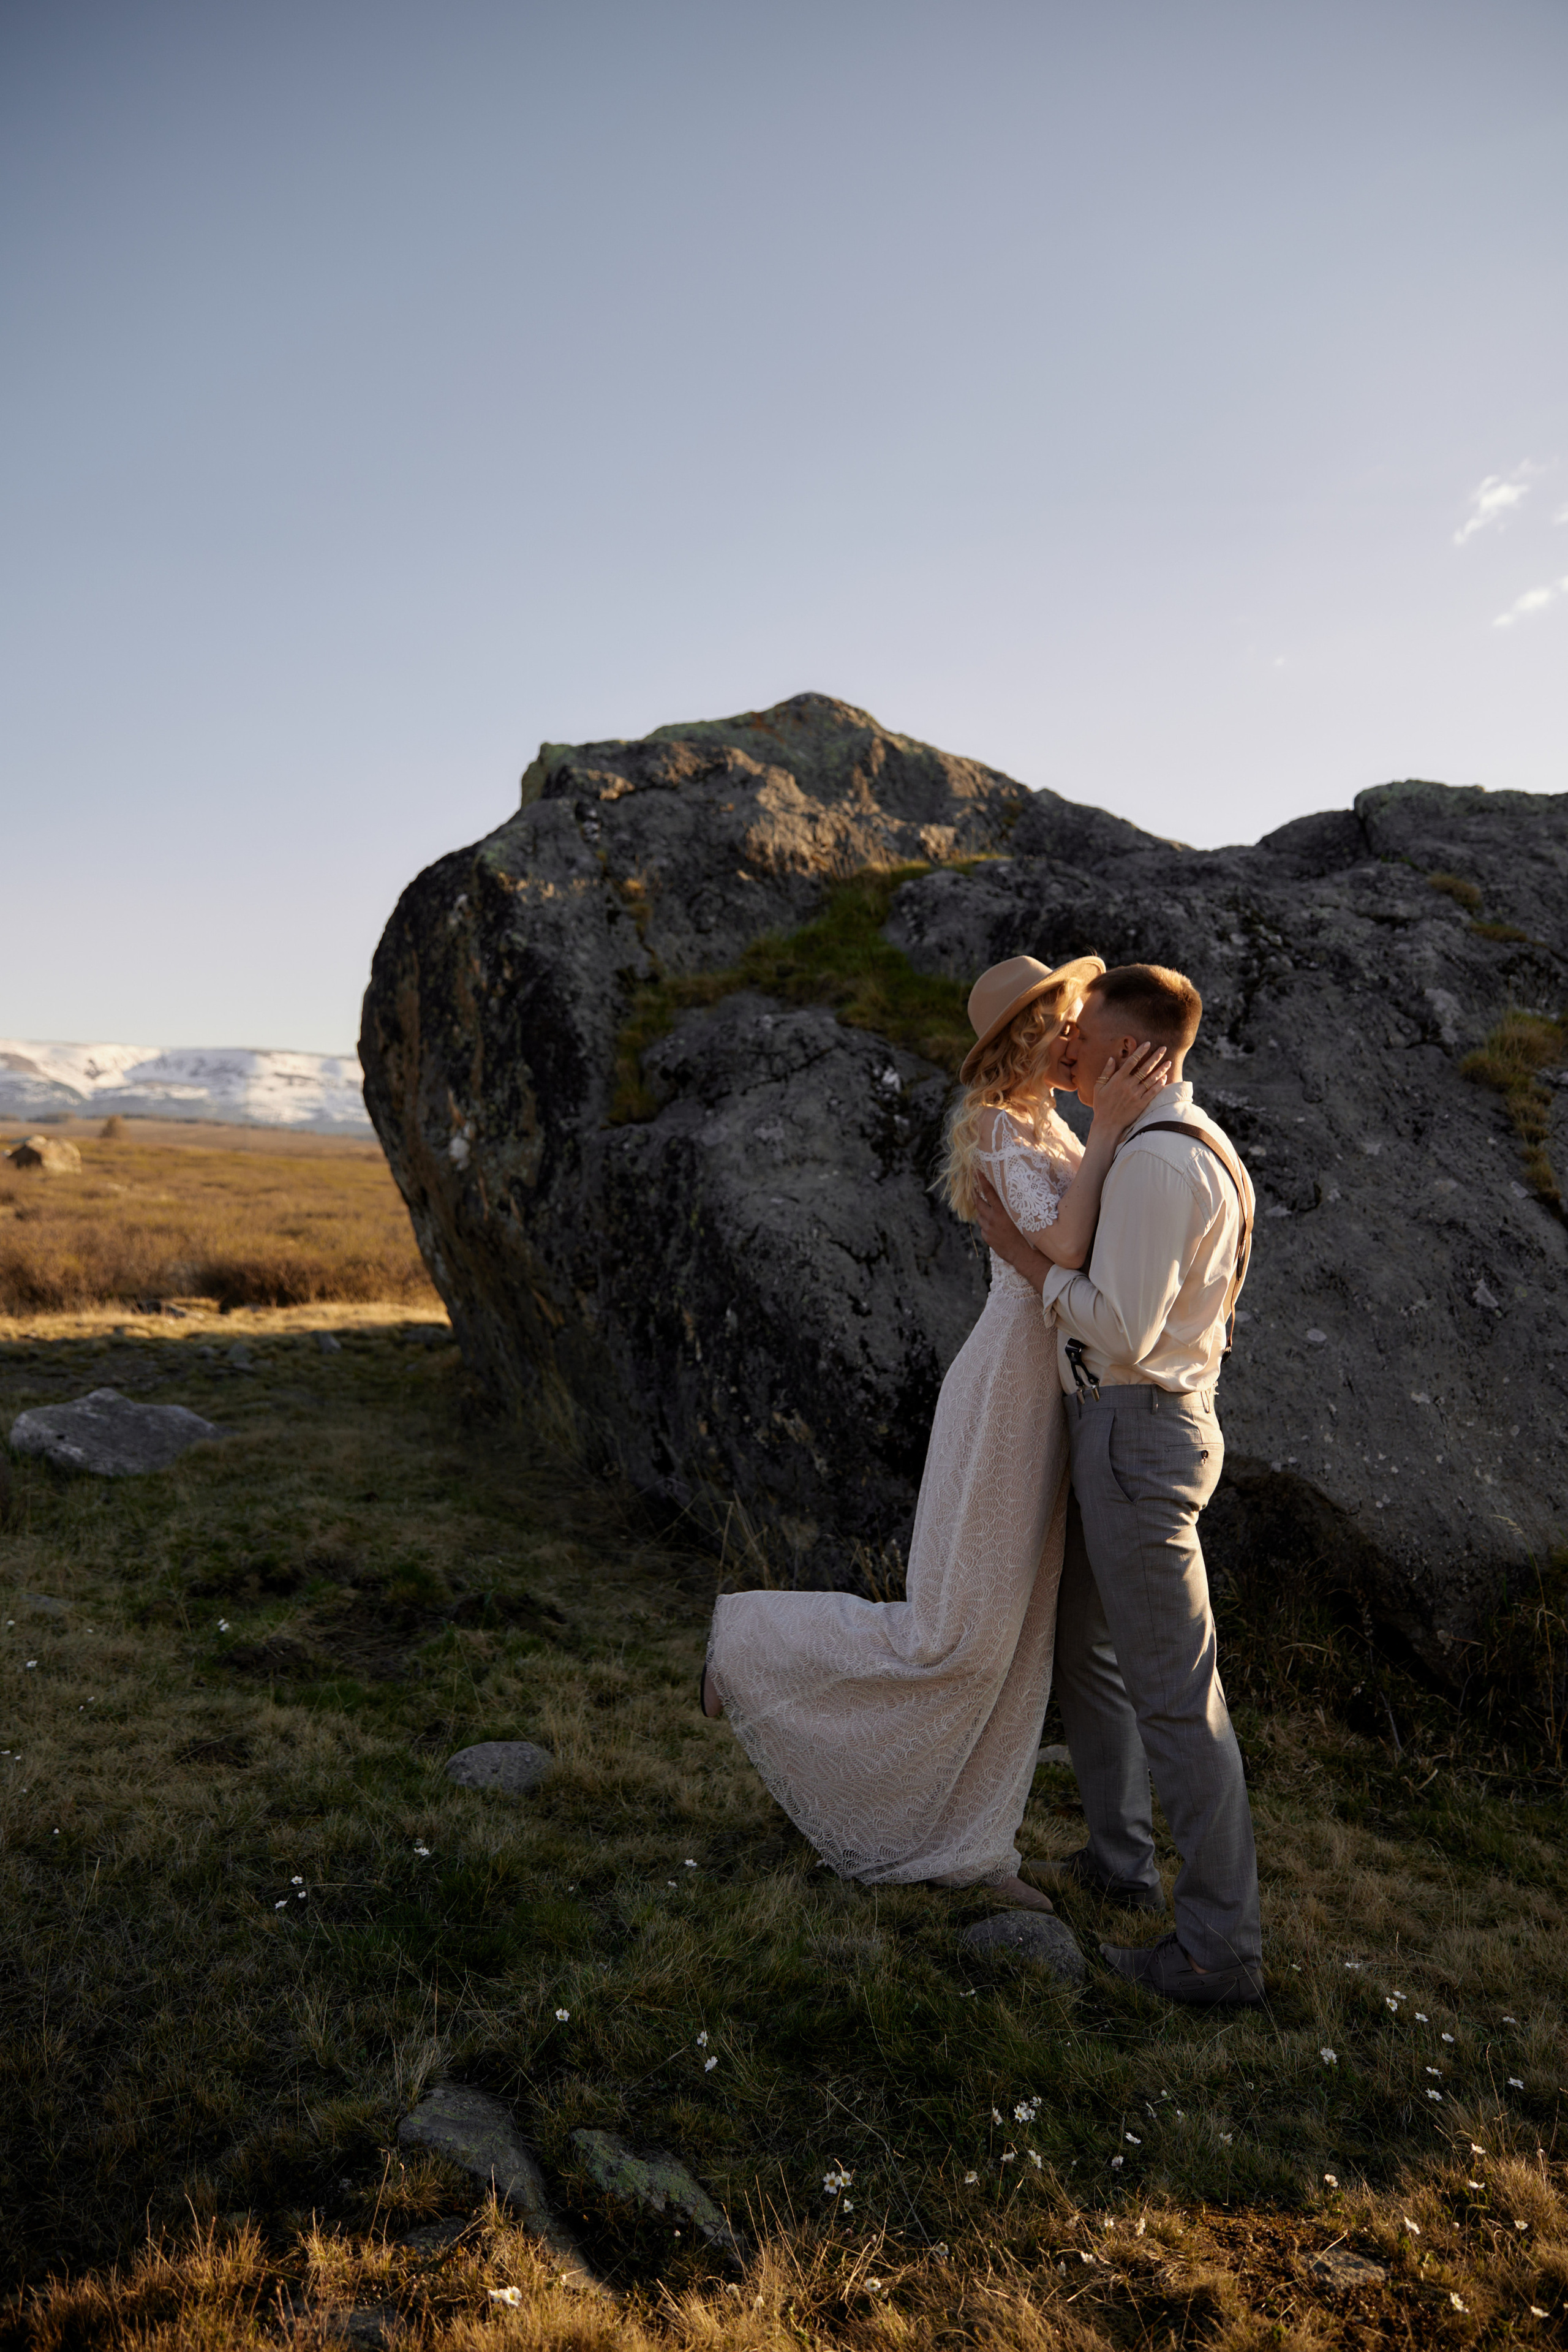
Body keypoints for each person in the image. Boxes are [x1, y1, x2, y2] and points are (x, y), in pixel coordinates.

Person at [701, 952, 1170, 1904]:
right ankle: (748, 1642)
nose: (1073, 1029)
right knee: (956, 1636)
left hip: (1054, 1391)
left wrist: (1107, 1129)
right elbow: (1068, 1247)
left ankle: (969, 1848)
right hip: (1009, 1391)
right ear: (1018, 1042)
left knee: (1014, 1639)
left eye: (1074, 1011)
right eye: (1057, 1018)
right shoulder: (1001, 1126)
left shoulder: (1048, 1123)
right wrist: (1114, 1126)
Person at [975, 961, 1262, 2006]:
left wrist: (1025, 1258)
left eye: (1087, 1030)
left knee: (1181, 1704)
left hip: (1138, 1435)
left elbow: (1122, 1326)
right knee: (1090, 1654)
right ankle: (1119, 1861)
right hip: (1139, 1429)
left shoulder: (1152, 1164)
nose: (1070, 1045)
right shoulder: (1187, 1146)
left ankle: (1218, 1952)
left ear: (1141, 1051)